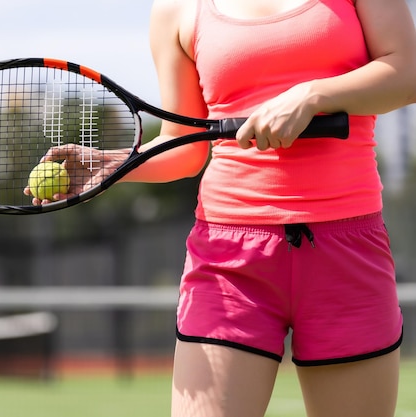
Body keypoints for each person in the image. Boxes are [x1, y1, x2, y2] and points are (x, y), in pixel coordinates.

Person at [28, 0, 416, 416]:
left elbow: (408, 73)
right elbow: (184, 147)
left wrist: (312, 93)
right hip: (229, 262)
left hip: (346, 252)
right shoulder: (176, 10)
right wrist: (113, 165)